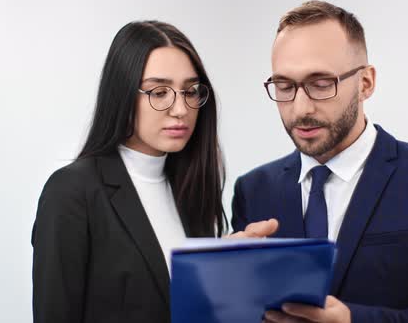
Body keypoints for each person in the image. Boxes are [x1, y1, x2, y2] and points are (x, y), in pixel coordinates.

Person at [231, 1, 408, 323]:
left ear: (366, 83)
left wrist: (351, 320)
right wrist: (224, 283)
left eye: (321, 84)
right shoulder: (252, 190)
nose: (300, 107)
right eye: (284, 86)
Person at [31, 20, 276, 323]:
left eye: (190, 91)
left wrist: (219, 266)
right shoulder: (71, 192)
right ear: (122, 94)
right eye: (159, 92)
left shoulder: (190, 187)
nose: (180, 109)